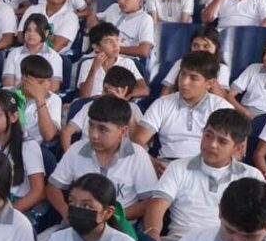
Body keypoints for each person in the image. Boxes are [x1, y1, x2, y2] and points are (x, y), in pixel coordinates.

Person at [142, 109, 266, 241]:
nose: (212, 144)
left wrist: (244, 239)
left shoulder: (251, 176)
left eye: (222, 141)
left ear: (238, 148)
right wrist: (153, 234)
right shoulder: (178, 167)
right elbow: (157, 205)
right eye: (208, 135)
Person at [48, 95, 159, 223]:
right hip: (78, 224)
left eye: (103, 129)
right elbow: (53, 187)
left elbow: (150, 201)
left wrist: (110, 217)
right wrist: (65, 210)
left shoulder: (137, 155)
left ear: (123, 131)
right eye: (91, 126)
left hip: (119, 228)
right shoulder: (76, 149)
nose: (94, 135)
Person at [133, 51, 233, 163]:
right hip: (166, 165)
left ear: (209, 83)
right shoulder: (162, 104)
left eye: (193, 78)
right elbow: (137, 141)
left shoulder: (222, 108)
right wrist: (151, 162)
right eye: (183, 74)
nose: (184, 82)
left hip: (206, 165)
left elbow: (236, 151)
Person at [61, 66, 142, 149]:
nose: (108, 98)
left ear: (128, 96)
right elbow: (66, 132)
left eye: (115, 94)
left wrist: (124, 108)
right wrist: (70, 157)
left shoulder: (133, 110)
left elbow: (139, 143)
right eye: (105, 91)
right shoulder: (91, 105)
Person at [88, 0, 154, 60]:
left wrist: (113, 49)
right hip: (99, 55)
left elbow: (144, 51)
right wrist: (97, 35)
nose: (121, 1)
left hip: (124, 60)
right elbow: (92, 18)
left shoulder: (145, 19)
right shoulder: (114, 8)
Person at [18, 0, 84, 53]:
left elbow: (57, 45)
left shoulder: (71, 17)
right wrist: (51, 37)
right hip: (26, 53)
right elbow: (21, 37)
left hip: (53, 58)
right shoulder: (32, 10)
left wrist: (33, 36)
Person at [77, 22, 147, 99]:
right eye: (109, 41)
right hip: (93, 105)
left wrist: (123, 95)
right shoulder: (87, 64)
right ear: (96, 47)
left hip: (119, 105)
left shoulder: (127, 63)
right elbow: (83, 96)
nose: (115, 45)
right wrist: (93, 69)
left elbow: (144, 90)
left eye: (117, 40)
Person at [160, 26, 230, 96]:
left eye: (206, 46)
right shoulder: (181, 63)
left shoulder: (221, 68)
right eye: (196, 46)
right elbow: (165, 92)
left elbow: (222, 98)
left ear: (216, 47)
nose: (200, 50)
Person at [3, 14, 62, 90]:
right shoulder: (13, 54)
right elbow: (8, 84)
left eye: (37, 31)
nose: (31, 34)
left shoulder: (54, 57)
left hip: (43, 97)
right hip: (18, 96)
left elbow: (54, 87)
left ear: (46, 33)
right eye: (28, 30)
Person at [17, 56, 63, 144]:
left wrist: (39, 98)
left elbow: (48, 135)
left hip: (36, 146)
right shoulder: (8, 94)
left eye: (49, 81)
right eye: (40, 82)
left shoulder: (54, 100)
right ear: (24, 80)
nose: (47, 86)